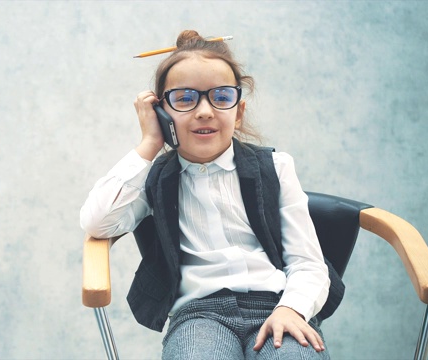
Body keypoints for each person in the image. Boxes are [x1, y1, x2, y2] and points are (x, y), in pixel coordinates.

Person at [80, 30, 342, 360]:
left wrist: (293, 309)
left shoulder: (275, 167)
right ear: (162, 113)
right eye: (185, 98)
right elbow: (97, 222)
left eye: (220, 96)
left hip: (278, 303)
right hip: (199, 315)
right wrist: (149, 144)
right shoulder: (156, 178)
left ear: (239, 111)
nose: (204, 111)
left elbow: (308, 262)